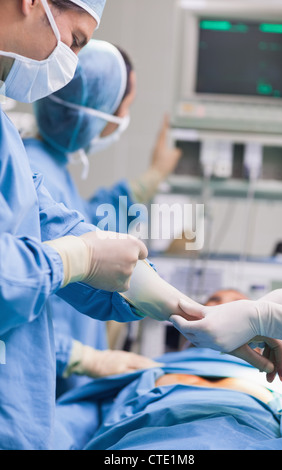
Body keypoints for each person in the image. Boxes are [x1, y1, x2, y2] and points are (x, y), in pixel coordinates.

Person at [0, 0, 153, 450]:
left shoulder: (7, 137)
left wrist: (179, 307)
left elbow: (55, 223)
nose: (69, 64)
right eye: (77, 41)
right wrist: (79, 259)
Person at [24, 39, 182, 396]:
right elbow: (24, 280)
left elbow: (88, 226)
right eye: (124, 108)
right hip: (46, 382)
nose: (124, 119)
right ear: (97, 114)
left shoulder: (46, 167)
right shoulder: (29, 170)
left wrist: (152, 177)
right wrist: (82, 358)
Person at [54, 346, 282, 450]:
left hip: (246, 432)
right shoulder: (157, 365)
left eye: (236, 302)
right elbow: (78, 417)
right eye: (212, 301)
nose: (220, 305)